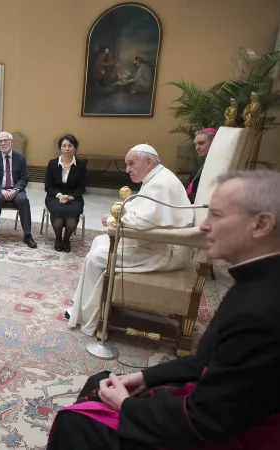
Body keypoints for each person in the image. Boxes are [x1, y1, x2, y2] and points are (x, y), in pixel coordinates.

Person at [48, 171, 280, 449]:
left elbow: (208, 421)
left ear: (261, 224)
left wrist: (126, 407)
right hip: (212, 403)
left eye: (216, 215)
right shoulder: (258, 279)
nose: (204, 226)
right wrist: (145, 377)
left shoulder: (260, 312)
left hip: (219, 434)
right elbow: (206, 360)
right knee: (101, 380)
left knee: (76, 422)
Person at [67, 144, 193, 336]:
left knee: (96, 258)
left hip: (164, 251)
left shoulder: (160, 183)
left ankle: (88, 318)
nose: (127, 169)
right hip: (158, 243)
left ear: (148, 162)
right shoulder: (158, 177)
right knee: (99, 242)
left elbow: (142, 221)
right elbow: (145, 211)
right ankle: (85, 305)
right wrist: (119, 217)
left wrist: (113, 220)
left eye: (131, 164)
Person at [0, 132, 37, 249]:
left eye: (5, 140)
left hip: (15, 189)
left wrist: (15, 190)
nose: (3, 143)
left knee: (23, 200)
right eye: (0, 141)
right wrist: (2, 190)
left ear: (11, 142)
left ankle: (27, 235)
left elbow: (24, 178)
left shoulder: (20, 158)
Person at [44, 134, 87, 252]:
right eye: (64, 146)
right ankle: (58, 238)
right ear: (60, 147)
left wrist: (71, 197)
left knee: (72, 214)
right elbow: (48, 186)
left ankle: (66, 239)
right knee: (58, 210)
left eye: (70, 146)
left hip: (74, 197)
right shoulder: (52, 163)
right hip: (55, 196)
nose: (67, 149)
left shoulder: (81, 165)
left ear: (75, 148)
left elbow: (82, 187)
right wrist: (59, 195)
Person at [185, 128, 217, 203]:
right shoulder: (204, 164)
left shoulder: (217, 165)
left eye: (201, 143)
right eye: (196, 144)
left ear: (214, 143)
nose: (197, 148)